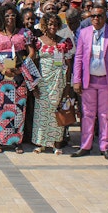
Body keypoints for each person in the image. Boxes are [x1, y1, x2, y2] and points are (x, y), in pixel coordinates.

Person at [71, 1, 108, 161]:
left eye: (99, 16)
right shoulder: (85, 33)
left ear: (105, 17)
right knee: (87, 114)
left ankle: (105, 146)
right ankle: (86, 145)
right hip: (88, 80)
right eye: (93, 16)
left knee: (104, 115)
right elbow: (79, 57)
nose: (96, 19)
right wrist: (77, 79)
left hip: (106, 80)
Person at [0, 4, 37, 154]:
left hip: (19, 76)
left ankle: (17, 142)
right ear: (2, 17)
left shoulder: (25, 33)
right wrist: (3, 69)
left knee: (18, 109)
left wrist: (20, 68)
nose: (10, 18)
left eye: (13, 15)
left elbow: (32, 52)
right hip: (0, 77)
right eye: (7, 15)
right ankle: (0, 142)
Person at [31, 12, 74, 154]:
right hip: (43, 80)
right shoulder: (38, 41)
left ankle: (56, 143)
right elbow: (35, 63)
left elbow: (68, 64)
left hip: (58, 81)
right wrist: (34, 84)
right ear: (44, 25)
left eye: (55, 24)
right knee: (42, 111)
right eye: (50, 24)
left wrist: (67, 85)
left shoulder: (64, 42)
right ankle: (40, 143)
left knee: (57, 111)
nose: (53, 27)